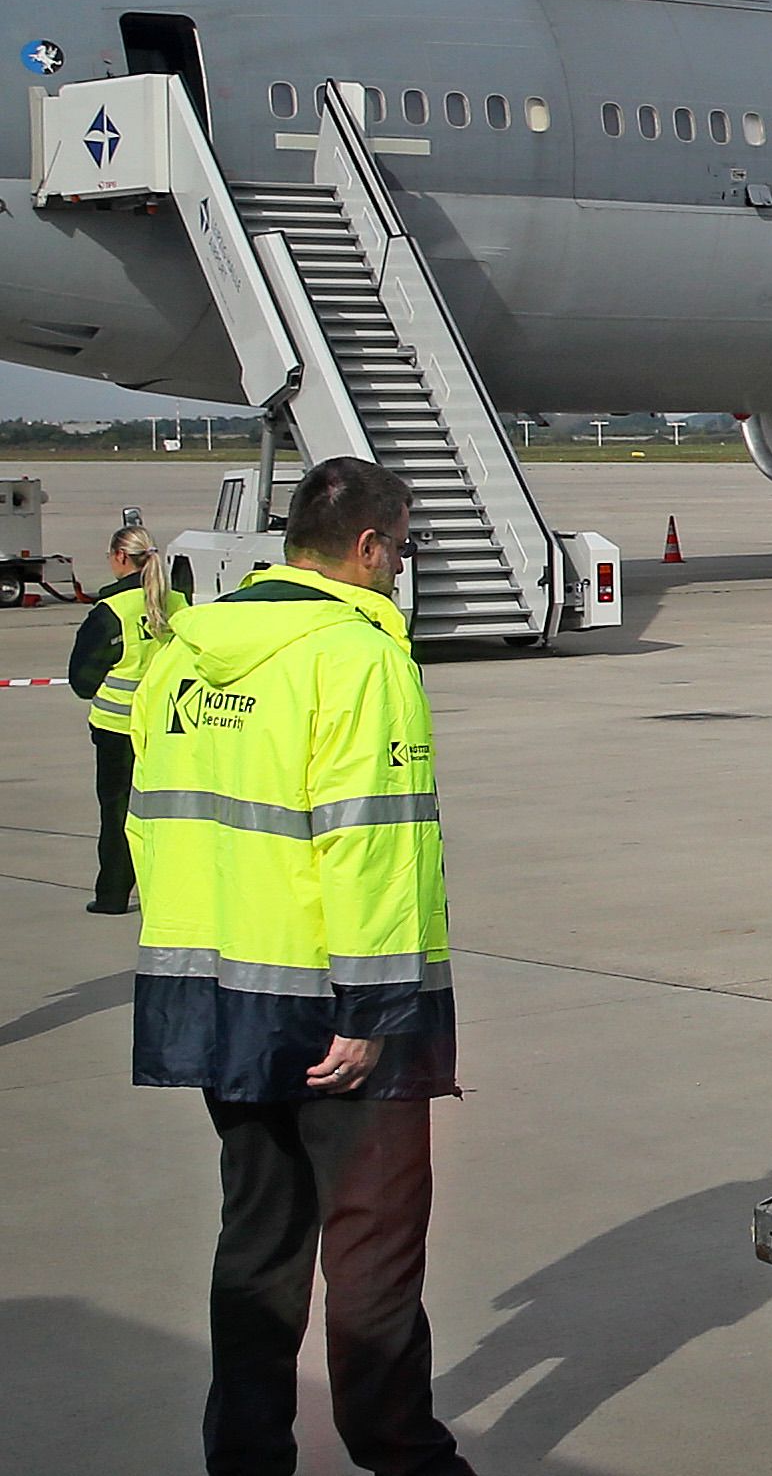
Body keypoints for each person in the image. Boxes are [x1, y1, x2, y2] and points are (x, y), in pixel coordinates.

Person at [127, 458, 473, 1476]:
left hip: (220, 995)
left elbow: (150, 821)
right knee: (372, 1251)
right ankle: (401, 1454)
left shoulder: (185, 654)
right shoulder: (357, 655)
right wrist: (370, 1009)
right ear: (367, 547)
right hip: (334, 1005)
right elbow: (369, 841)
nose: (400, 566)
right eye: (401, 548)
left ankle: (244, 1456)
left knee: (258, 1242)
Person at [69, 522, 180, 914]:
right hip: (169, 729)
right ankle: (167, 893)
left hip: (118, 731)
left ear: (120, 557)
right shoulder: (177, 603)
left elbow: (82, 681)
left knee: (117, 813)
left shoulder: (111, 612)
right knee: (168, 814)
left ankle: (113, 895)